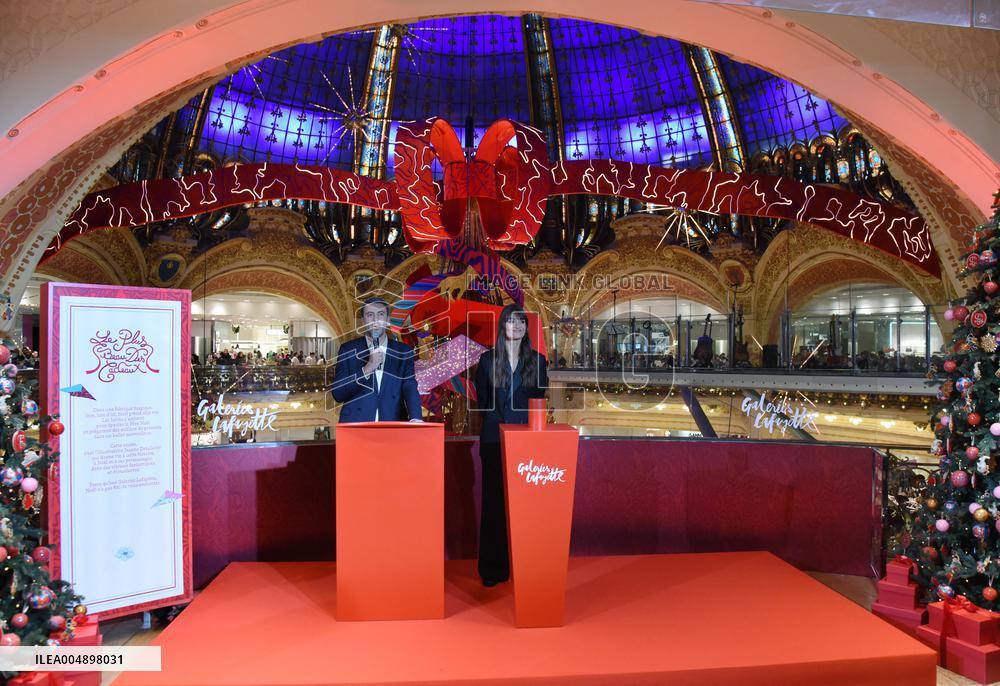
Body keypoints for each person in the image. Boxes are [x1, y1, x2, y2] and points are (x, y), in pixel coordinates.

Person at [473, 303, 548, 587]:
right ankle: (493, 569)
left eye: (520, 322)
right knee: (493, 506)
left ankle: (528, 567)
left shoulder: (538, 362)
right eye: (510, 321)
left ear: (526, 328)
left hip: (527, 444)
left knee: (527, 508)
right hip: (494, 441)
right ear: (502, 326)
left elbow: (539, 402)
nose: (515, 326)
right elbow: (482, 404)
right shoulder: (487, 361)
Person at [331, 297, 422, 423]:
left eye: (381, 314)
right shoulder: (348, 350)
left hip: (393, 427)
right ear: (363, 321)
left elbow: (410, 386)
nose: (376, 320)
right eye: (370, 315)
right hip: (356, 429)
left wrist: (416, 417)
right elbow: (338, 393)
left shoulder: (403, 351)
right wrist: (367, 369)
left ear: (388, 320)